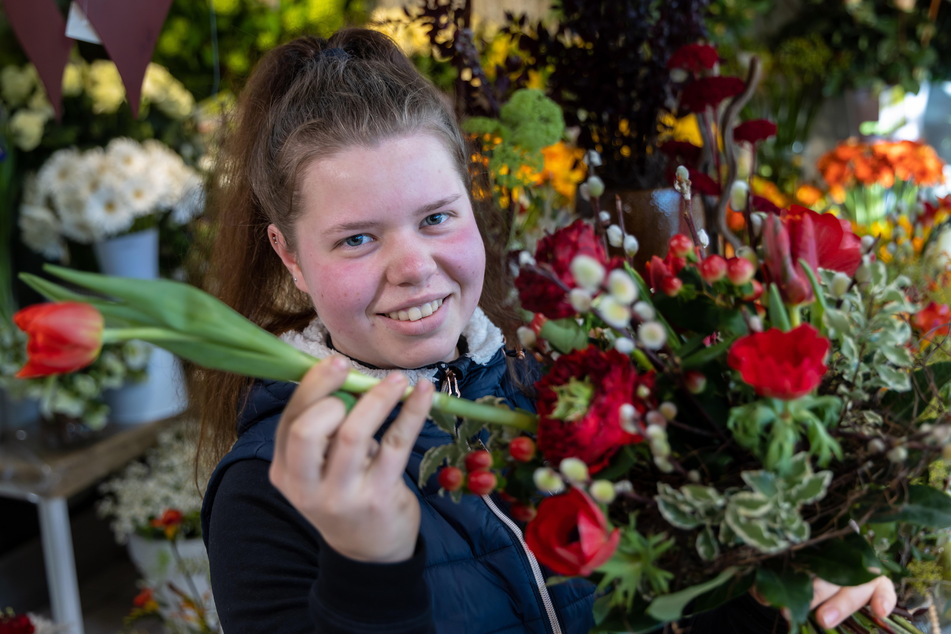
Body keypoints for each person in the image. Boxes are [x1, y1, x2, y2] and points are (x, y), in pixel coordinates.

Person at [193, 27, 897, 633]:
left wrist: (793, 591)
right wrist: (367, 568)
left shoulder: (569, 389)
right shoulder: (269, 490)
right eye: (355, 240)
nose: (414, 266)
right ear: (289, 256)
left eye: (436, 217)